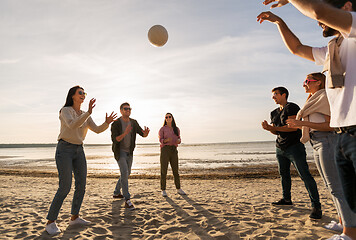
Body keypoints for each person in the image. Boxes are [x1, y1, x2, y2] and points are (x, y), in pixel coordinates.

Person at [257, 1, 356, 239]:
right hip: (341, 133)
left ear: (346, 7)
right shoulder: (332, 48)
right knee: (348, 193)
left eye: (324, 16)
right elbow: (297, 48)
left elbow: (319, 11)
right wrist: (279, 22)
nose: (318, 21)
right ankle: (349, 233)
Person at [287, 73, 356, 233]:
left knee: (337, 187)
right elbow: (315, 124)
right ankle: (343, 222)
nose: (304, 83)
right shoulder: (312, 99)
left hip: (327, 141)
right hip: (316, 141)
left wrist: (301, 123)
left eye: (307, 81)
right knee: (331, 186)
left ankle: (350, 230)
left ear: (318, 82)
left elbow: (331, 125)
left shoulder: (324, 97)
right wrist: (299, 125)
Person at [46, 86, 117, 235]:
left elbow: (97, 129)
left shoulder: (85, 114)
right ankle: (51, 222)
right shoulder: (65, 111)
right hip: (64, 149)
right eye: (80, 93)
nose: (83, 95)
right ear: (72, 95)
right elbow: (72, 125)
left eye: (84, 93)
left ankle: (74, 217)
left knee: (81, 185)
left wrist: (106, 123)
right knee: (65, 187)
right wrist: (89, 113)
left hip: (79, 150)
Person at [261, 86, 322, 219]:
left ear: (284, 95)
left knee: (305, 175)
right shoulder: (273, 112)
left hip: (294, 147)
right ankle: (286, 199)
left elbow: (293, 128)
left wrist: (273, 127)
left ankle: (316, 206)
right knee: (284, 174)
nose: (273, 97)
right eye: (273, 95)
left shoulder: (292, 107)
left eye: (276, 94)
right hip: (280, 148)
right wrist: (269, 129)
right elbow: (276, 131)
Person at [111, 102, 150, 210]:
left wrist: (146, 133)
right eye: (125, 109)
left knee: (126, 173)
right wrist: (125, 133)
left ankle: (116, 192)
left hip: (130, 152)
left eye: (129, 109)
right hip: (120, 152)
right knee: (124, 173)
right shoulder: (116, 124)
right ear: (121, 110)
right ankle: (127, 200)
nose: (128, 110)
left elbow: (142, 134)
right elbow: (115, 139)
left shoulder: (133, 122)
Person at [158, 113, 186, 197]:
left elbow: (179, 138)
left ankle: (178, 188)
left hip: (174, 150)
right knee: (164, 170)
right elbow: (160, 139)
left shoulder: (176, 129)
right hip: (165, 150)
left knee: (175, 170)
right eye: (166, 117)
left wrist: (178, 141)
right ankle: (163, 190)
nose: (168, 118)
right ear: (165, 119)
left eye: (169, 117)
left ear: (172, 118)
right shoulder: (162, 129)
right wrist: (166, 140)